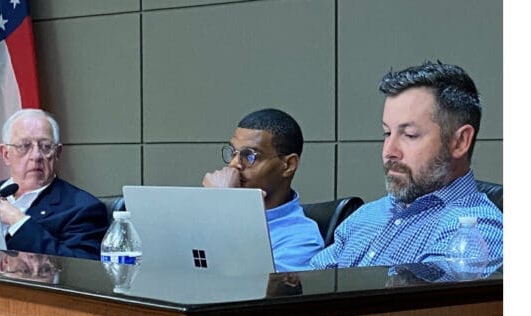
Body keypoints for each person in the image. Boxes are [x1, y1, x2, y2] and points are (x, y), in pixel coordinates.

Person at [310, 61, 503, 275]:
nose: (389, 151)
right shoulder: (366, 216)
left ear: (459, 142)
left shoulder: (475, 232)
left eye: (409, 135)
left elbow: (420, 308)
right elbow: (308, 286)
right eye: (387, 133)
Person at [203, 108, 324, 272]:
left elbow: (249, 289)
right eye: (233, 152)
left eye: (250, 155)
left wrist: (225, 203)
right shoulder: (214, 215)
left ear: (288, 165)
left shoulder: (301, 240)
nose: (234, 164)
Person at [0, 108, 108, 259]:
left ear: (58, 153)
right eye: (24, 146)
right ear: (6, 154)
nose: (36, 156)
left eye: (46, 146)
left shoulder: (83, 208)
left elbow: (80, 270)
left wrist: (18, 221)